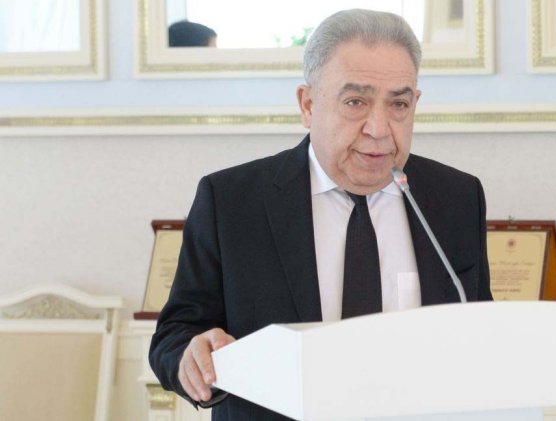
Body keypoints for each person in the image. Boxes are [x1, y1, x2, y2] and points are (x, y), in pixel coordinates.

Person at [149, 9, 492, 420]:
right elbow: (175, 335)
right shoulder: (232, 200)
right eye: (355, 102)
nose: (379, 128)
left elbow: (480, 330)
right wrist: (193, 358)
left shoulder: (456, 198)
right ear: (308, 104)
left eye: (398, 104)